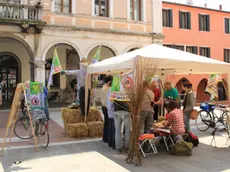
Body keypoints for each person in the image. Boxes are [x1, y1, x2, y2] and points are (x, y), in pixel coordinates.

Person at [101, 75, 113, 143]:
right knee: (108, 123)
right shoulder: (106, 89)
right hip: (106, 107)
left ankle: (105, 138)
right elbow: (108, 100)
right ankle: (106, 138)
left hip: (104, 106)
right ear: (109, 82)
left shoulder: (104, 87)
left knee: (106, 123)